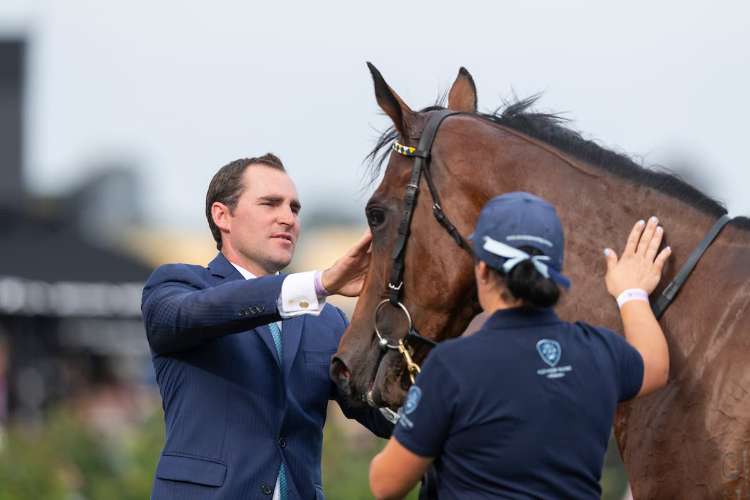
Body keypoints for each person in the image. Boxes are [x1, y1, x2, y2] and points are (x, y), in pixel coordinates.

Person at [369, 192, 671, 499]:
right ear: (554, 273)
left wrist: (427, 424)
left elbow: (386, 484)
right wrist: (632, 293)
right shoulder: (597, 350)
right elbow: (655, 366)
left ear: (482, 270)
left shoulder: (451, 366)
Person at [141, 153, 392, 500]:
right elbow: (206, 311)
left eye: (294, 208)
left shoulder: (327, 320)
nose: (288, 218)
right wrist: (318, 284)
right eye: (270, 203)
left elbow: (385, 414)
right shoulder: (178, 286)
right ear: (222, 215)